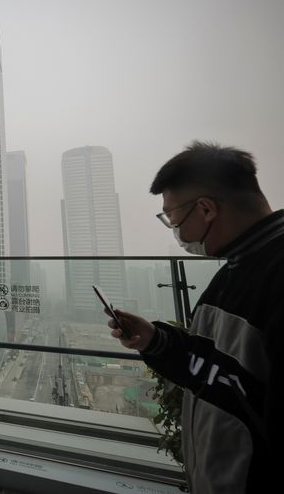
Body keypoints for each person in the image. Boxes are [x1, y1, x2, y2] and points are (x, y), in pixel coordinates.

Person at [108, 141, 282, 493]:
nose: (178, 235)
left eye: (174, 220)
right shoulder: (234, 270)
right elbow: (215, 368)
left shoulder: (273, 276)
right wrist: (155, 341)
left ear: (206, 209)